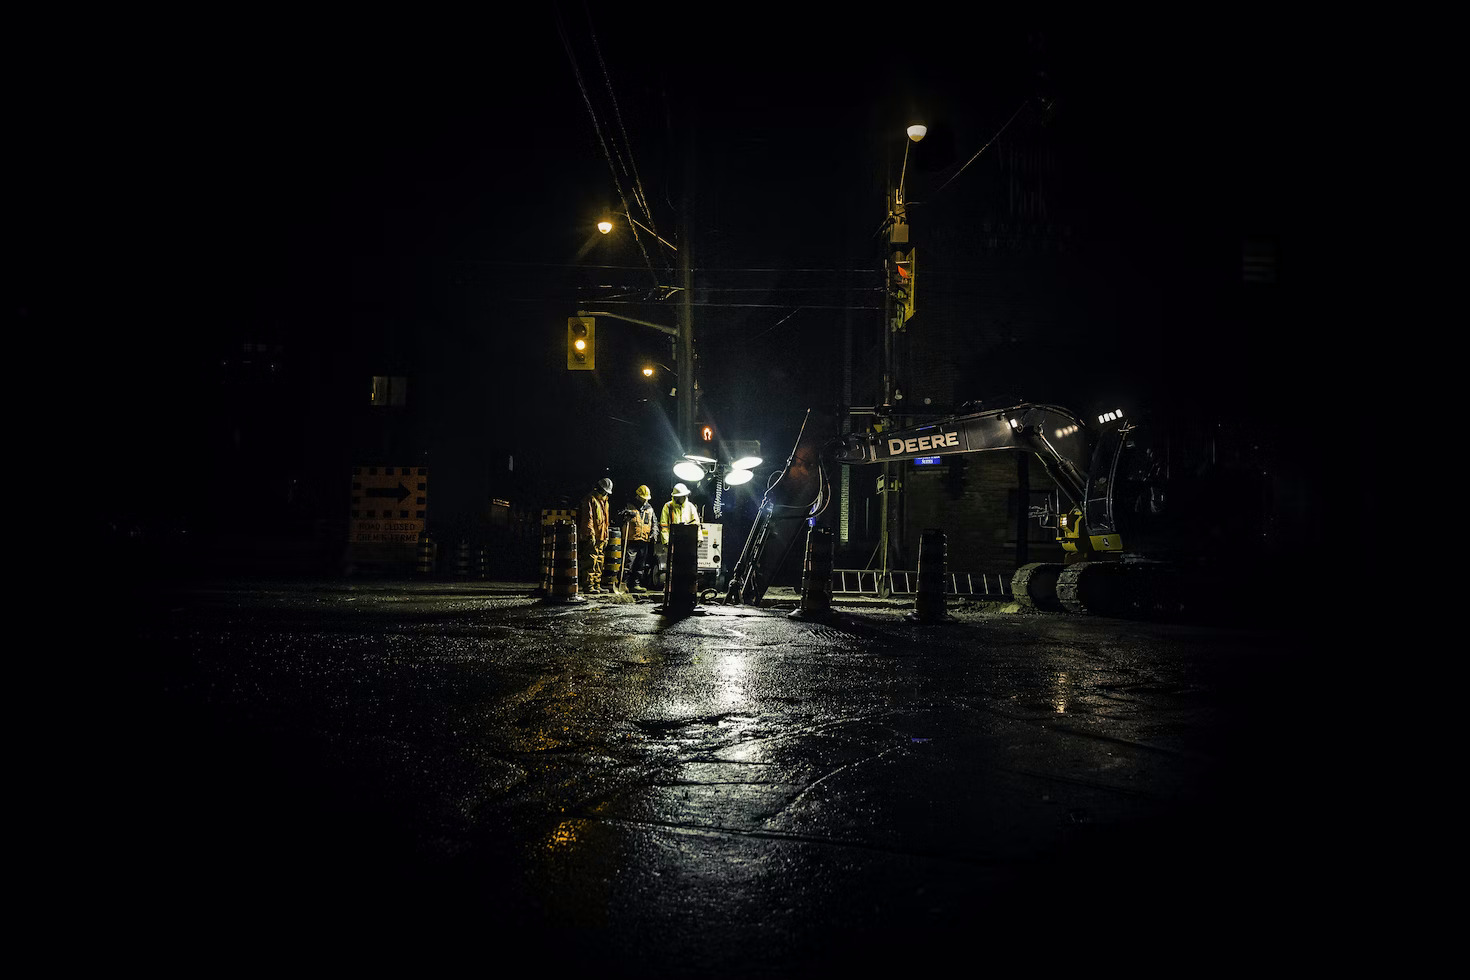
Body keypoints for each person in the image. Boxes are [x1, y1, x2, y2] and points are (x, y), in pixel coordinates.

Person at [658, 483, 700, 583]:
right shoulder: (668, 506)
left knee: (687, 566)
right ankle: (672, 585)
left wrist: (698, 539)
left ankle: (684, 585)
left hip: (687, 541)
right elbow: (664, 525)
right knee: (674, 565)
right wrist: (666, 541)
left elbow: (696, 524)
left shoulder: (690, 507)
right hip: (673, 540)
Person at [578, 477, 612, 594]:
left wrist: (606, 536)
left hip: (601, 536)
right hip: (593, 536)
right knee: (590, 561)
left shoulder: (604, 502)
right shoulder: (590, 499)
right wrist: (590, 534)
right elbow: (588, 519)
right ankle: (589, 585)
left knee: (599, 561)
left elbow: (605, 521)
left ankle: (596, 584)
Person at [621, 485, 656, 593]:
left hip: (644, 540)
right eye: (643, 497)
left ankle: (635, 584)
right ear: (638, 496)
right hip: (631, 539)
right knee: (628, 563)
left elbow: (654, 523)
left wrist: (654, 533)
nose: (645, 500)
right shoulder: (629, 506)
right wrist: (625, 514)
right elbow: (619, 516)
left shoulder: (649, 509)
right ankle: (624, 584)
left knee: (640, 564)